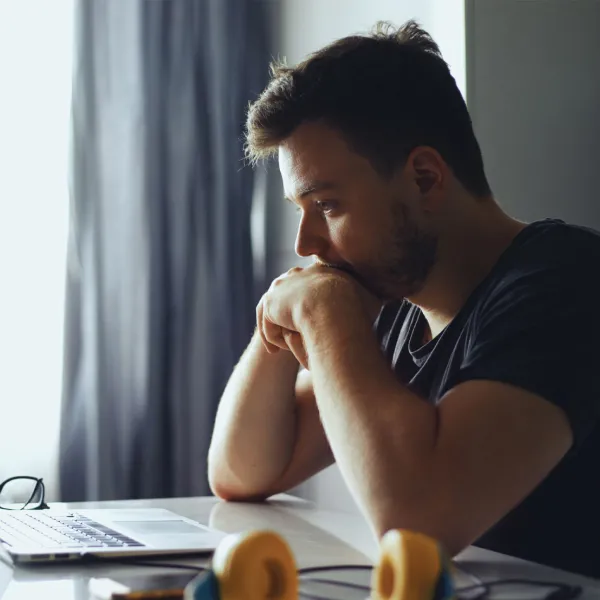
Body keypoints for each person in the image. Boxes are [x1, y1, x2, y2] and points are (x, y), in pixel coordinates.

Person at [207, 20, 600, 578]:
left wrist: (322, 312)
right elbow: (241, 471)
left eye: (327, 206)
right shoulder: (393, 305)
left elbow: (418, 523)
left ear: (423, 178)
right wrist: (276, 323)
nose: (305, 245)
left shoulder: (565, 282)